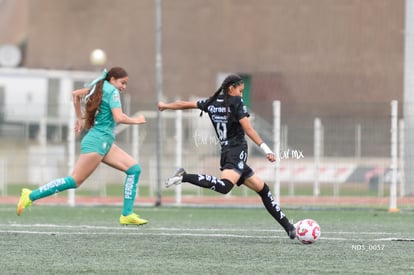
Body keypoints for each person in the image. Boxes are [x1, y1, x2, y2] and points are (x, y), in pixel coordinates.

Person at [157, 74, 296, 239]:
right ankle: (184, 176)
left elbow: (185, 104)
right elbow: (248, 129)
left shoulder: (212, 103)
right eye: (240, 90)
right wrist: (267, 149)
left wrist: (166, 106)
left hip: (227, 152)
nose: (241, 94)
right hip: (236, 151)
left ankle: (289, 228)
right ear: (231, 88)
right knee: (225, 187)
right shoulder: (237, 103)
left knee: (263, 189)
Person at [17, 67, 148, 226]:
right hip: (98, 141)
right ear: (112, 79)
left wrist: (79, 118)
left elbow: (75, 95)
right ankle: (30, 196)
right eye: (122, 83)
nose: (124, 87)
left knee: (134, 169)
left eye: (126, 84)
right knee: (75, 181)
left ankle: (127, 214)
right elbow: (119, 117)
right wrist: (136, 120)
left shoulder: (99, 87)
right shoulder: (112, 91)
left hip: (103, 141)